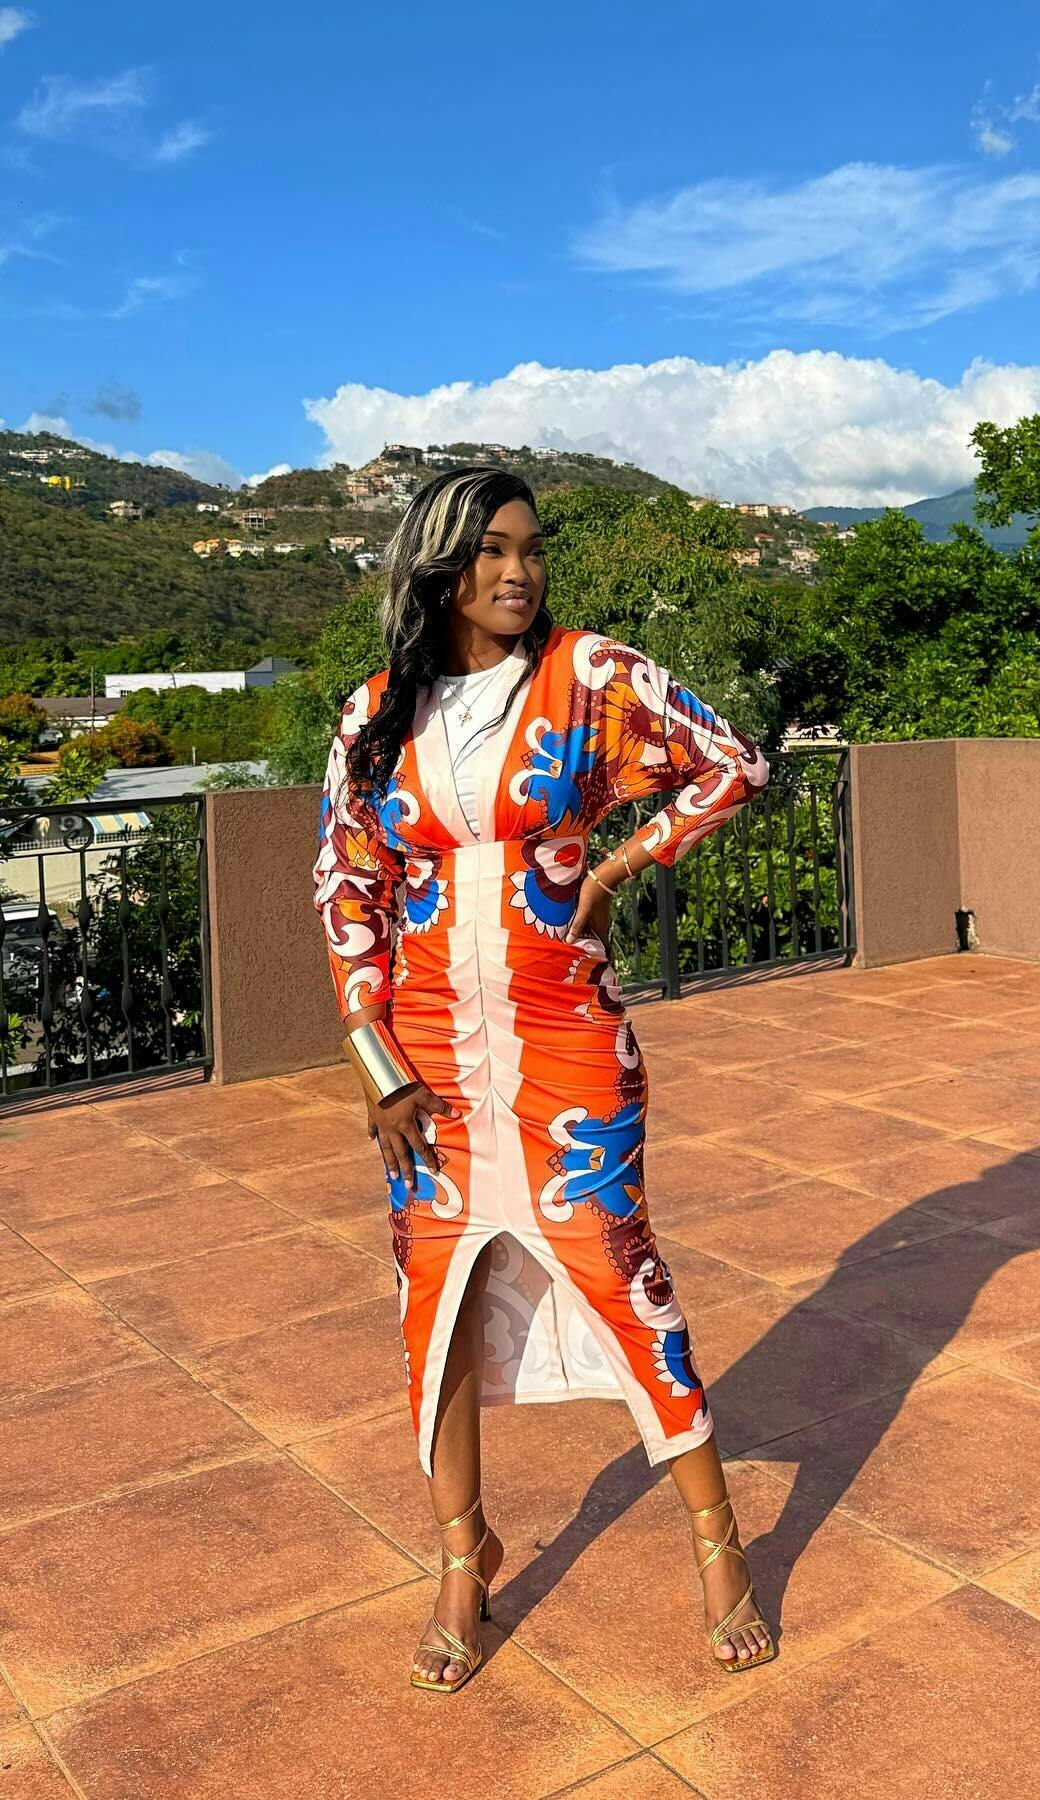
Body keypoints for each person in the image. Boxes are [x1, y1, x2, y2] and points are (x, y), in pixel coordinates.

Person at [311, 466, 776, 1694]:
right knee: (439, 1305)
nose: (518, 571)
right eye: (492, 551)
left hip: (569, 1045)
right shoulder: (373, 715)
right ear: (439, 567)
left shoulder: (592, 676)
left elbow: (734, 764)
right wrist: (375, 1064)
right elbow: (345, 886)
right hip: (427, 1064)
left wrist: (616, 869)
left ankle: (718, 1544)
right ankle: (462, 1560)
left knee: (623, 1276)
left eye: (531, 549)